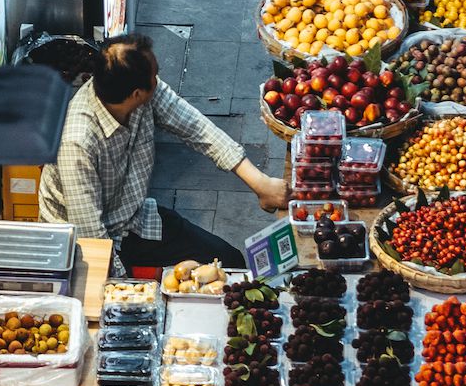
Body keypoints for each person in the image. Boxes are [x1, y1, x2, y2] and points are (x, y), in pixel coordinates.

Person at [39, 34, 288, 273]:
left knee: (229, 261)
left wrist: (261, 184)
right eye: (155, 76)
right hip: (82, 246)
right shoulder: (76, 143)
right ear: (136, 94)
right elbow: (92, 239)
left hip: (132, 217)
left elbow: (195, 127)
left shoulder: (139, 92)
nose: (159, 81)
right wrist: (127, 293)